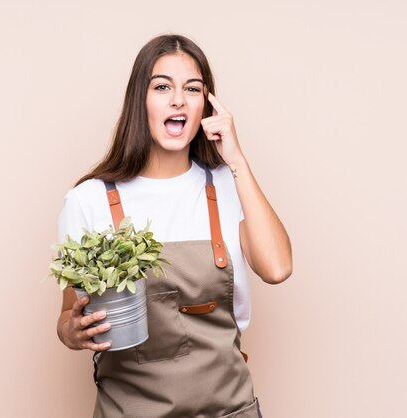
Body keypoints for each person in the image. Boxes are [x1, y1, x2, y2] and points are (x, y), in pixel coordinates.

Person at [56, 34, 292, 418]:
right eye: (162, 86)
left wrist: (237, 160)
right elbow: (68, 316)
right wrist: (72, 331)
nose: (178, 100)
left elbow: (278, 268)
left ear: (206, 106)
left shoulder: (230, 186)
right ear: (140, 100)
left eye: (193, 89)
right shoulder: (89, 200)